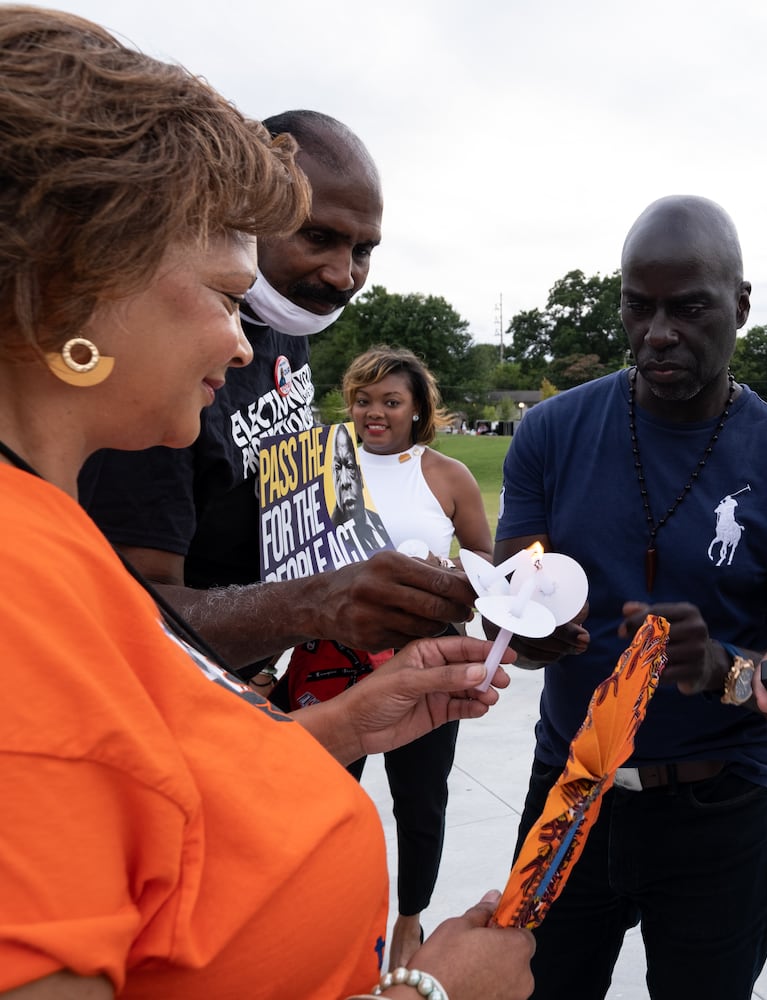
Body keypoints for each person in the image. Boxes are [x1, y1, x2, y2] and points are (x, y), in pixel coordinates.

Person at [0, 7, 534, 998]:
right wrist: (430, 993)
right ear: (73, 289)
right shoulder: (17, 598)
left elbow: (147, 777)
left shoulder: (48, 531)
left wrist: (343, 727)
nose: (244, 342)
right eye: (220, 293)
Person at [495, 194, 767, 999]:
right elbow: (512, 611)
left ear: (741, 305)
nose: (657, 332)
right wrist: (528, 633)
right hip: (570, 792)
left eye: (688, 308)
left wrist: (724, 671)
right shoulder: (549, 433)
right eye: (638, 306)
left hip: (720, 811)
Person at [77, 106, 473, 685]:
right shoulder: (161, 362)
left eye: (363, 250)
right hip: (168, 694)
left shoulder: (286, 323)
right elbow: (130, 616)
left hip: (245, 676)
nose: (343, 275)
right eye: (318, 237)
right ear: (244, 212)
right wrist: (312, 604)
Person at [339, 344, 494, 969]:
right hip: (336, 656)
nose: (374, 412)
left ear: (417, 409)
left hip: (424, 655)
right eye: (363, 399)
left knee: (420, 799)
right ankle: (329, 912)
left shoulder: (447, 476)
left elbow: (486, 563)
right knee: (325, 793)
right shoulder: (325, 467)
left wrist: (448, 573)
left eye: (390, 401)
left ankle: (409, 922)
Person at [328, 420, 392, 560]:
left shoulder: (380, 521)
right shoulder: (328, 537)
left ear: (360, 476)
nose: (345, 481)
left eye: (350, 467)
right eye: (337, 468)